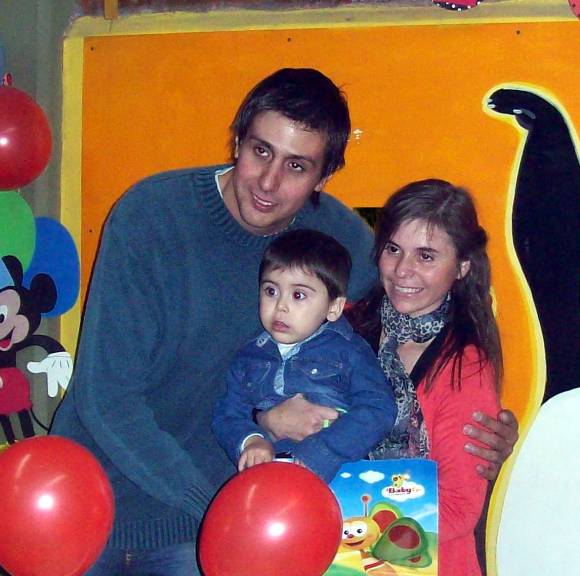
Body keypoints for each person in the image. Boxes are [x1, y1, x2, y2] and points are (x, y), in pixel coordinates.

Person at [50, 68, 517, 575]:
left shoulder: (337, 238)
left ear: (324, 176)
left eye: (297, 166)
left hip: (216, 531)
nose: (269, 182)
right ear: (237, 141)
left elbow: (411, 308)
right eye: (261, 151)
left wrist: (482, 430)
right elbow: (107, 397)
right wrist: (221, 498)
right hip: (93, 505)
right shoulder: (152, 216)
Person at [347, 179, 502, 576]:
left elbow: (458, 507)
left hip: (424, 562)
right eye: (393, 249)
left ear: (462, 266)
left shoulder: (466, 367)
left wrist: (350, 527)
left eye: (426, 256)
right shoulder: (340, 325)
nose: (403, 270)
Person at [213, 229, 397, 482]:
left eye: (298, 295)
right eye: (271, 291)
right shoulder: (248, 357)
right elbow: (228, 414)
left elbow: (379, 409)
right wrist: (251, 440)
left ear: (333, 307)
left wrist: (324, 451)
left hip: (336, 479)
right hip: (268, 480)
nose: (281, 306)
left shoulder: (349, 351)